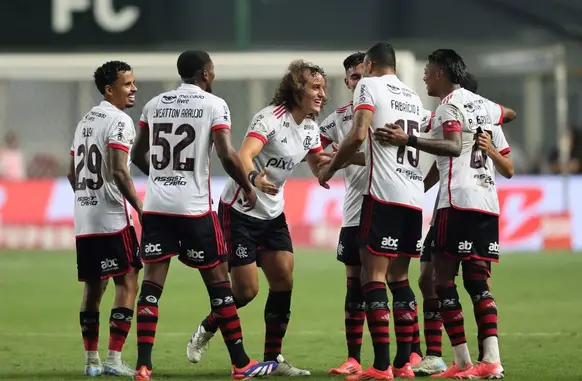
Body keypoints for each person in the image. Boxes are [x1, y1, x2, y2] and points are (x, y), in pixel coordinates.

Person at [130, 50, 277, 381]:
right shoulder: (214, 105)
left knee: (151, 286)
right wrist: (248, 186)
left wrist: (159, 177)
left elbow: (138, 154)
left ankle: (143, 366)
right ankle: (241, 363)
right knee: (219, 284)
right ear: (207, 74)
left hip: (157, 206)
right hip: (194, 208)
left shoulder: (154, 104)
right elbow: (226, 153)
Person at [187, 59, 332, 376]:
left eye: (323, 87)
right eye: (315, 87)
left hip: (273, 213)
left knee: (283, 277)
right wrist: (253, 179)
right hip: (240, 210)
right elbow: (245, 155)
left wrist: (359, 152)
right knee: (246, 291)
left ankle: (273, 359)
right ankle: (208, 325)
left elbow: (320, 163)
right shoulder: (270, 118)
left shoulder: (309, 127)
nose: (322, 93)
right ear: (297, 89)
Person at [380, 49, 509, 379]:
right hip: (486, 203)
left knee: (441, 281)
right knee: (474, 282)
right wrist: (486, 124)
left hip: (458, 202)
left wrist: (407, 138)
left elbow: (452, 147)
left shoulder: (449, 106)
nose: (423, 76)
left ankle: (465, 361)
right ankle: (486, 360)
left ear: (439, 73)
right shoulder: (484, 108)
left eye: (427, 70)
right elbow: (507, 113)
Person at [318, 42, 426, 380]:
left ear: (368, 64)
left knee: (372, 279)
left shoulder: (370, 86)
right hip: (412, 193)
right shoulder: (414, 96)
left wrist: (329, 168)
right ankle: (405, 363)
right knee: (400, 278)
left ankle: (381, 367)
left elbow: (358, 134)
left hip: (381, 194)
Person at [67, 60, 142, 377]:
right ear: (109, 90)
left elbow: (72, 173)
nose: (133, 88)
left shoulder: (84, 121)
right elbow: (118, 170)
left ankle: (91, 362)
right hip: (112, 216)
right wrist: (139, 205)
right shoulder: (121, 121)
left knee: (93, 289)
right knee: (127, 281)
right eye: (127, 84)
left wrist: (88, 198)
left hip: (85, 217)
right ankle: (113, 358)